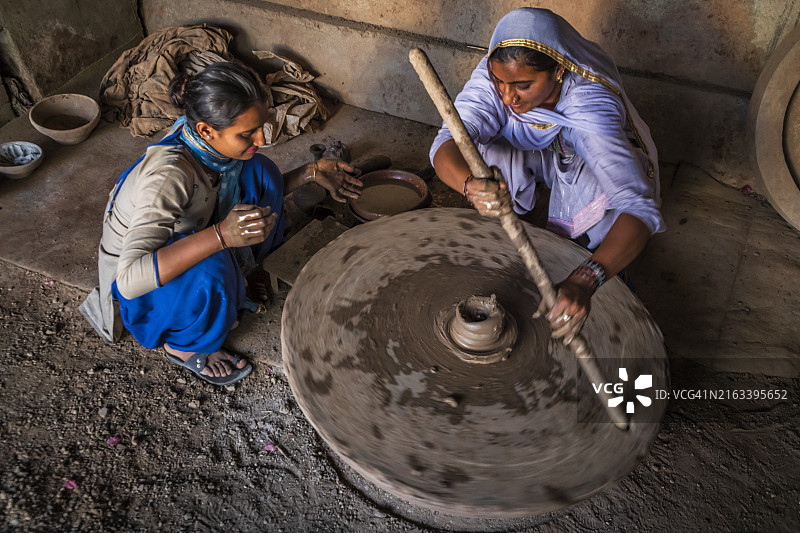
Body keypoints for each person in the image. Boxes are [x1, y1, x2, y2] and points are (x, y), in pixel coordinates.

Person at [79, 61, 361, 385]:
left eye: (262, 125)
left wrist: (310, 172)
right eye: (247, 133)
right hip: (145, 294)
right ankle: (183, 346)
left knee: (261, 170)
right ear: (207, 132)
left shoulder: (208, 144)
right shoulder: (169, 175)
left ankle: (240, 274)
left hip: (190, 236)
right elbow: (129, 280)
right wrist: (222, 236)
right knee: (212, 262)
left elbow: (247, 179)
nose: (261, 137)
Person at [430, 7, 665, 342]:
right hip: (540, 149)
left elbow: (639, 208)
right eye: (500, 81)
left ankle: (601, 264)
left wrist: (585, 279)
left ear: (558, 71)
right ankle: (516, 220)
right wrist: (470, 186)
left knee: (598, 208)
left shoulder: (588, 105)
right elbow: (448, 142)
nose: (508, 96)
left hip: (585, 158)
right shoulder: (495, 77)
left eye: (523, 85)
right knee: (482, 152)